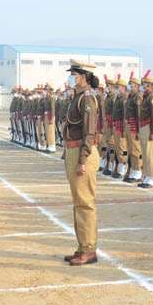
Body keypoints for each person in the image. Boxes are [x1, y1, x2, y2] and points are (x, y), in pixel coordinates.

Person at [62, 60, 101, 266]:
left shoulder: (87, 99)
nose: (71, 77)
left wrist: (82, 159)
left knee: (85, 203)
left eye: (74, 74)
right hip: (73, 149)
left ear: (83, 76)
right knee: (78, 202)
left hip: (82, 152)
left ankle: (89, 250)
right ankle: (82, 246)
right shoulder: (76, 97)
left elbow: (89, 132)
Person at [138, 72, 153, 188]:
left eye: (145, 84)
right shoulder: (145, 97)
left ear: (150, 86)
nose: (143, 86)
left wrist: (152, 132)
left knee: (151, 153)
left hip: (149, 127)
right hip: (143, 127)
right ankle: (146, 175)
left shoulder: (152, 98)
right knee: (145, 153)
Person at [124, 72, 144, 183]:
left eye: (131, 84)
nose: (129, 86)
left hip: (133, 125)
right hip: (128, 124)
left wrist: (137, 130)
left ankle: (137, 171)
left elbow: (139, 114)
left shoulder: (138, 96)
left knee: (135, 150)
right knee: (130, 149)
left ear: (136, 86)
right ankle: (133, 170)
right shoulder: (130, 96)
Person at [111, 76, 129, 179]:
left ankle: (123, 166)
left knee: (123, 147)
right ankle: (120, 166)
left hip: (122, 125)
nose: (117, 88)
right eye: (116, 87)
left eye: (119, 87)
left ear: (123, 87)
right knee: (117, 146)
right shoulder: (117, 98)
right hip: (116, 124)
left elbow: (124, 114)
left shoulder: (124, 98)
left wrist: (123, 128)